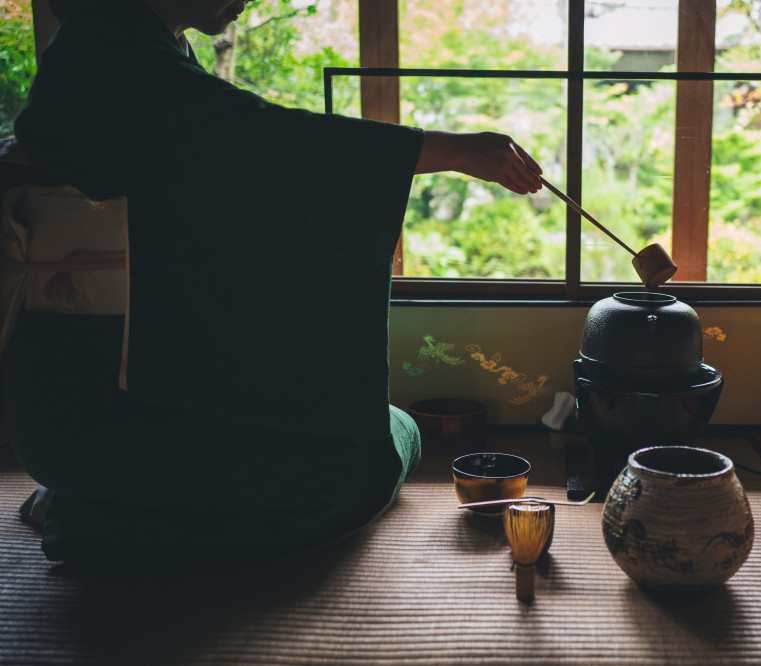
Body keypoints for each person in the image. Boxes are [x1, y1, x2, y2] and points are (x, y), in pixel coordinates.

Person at [2, 0, 542, 567]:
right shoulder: (112, 54)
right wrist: (452, 149)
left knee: (388, 429)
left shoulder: (130, 48)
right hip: (99, 410)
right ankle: (90, 515)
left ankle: (102, 498)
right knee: (361, 465)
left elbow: (243, 175)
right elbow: (271, 145)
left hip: (123, 391)